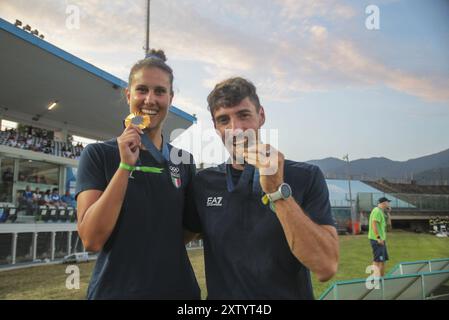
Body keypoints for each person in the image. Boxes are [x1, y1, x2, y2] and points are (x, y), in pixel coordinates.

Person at [185, 77, 339, 299]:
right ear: (216, 128)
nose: (236, 129)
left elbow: (325, 266)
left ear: (261, 116)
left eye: (244, 115)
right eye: (224, 120)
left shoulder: (305, 176)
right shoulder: (203, 183)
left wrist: (278, 191)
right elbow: (172, 239)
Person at [75, 49, 200, 299]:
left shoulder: (184, 162)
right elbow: (91, 239)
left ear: (170, 98)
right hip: (116, 292)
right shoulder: (98, 154)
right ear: (128, 94)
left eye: (160, 91)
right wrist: (124, 167)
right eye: (142, 90)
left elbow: (186, 230)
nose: (150, 99)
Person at [368, 196, 392, 277]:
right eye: (388, 202)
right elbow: (373, 224)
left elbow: (388, 223)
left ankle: (382, 279)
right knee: (377, 260)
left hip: (381, 240)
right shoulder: (377, 211)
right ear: (384, 203)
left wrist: (388, 212)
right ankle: (374, 279)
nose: (388, 204)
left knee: (382, 260)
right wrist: (378, 238)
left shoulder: (380, 211)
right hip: (377, 240)